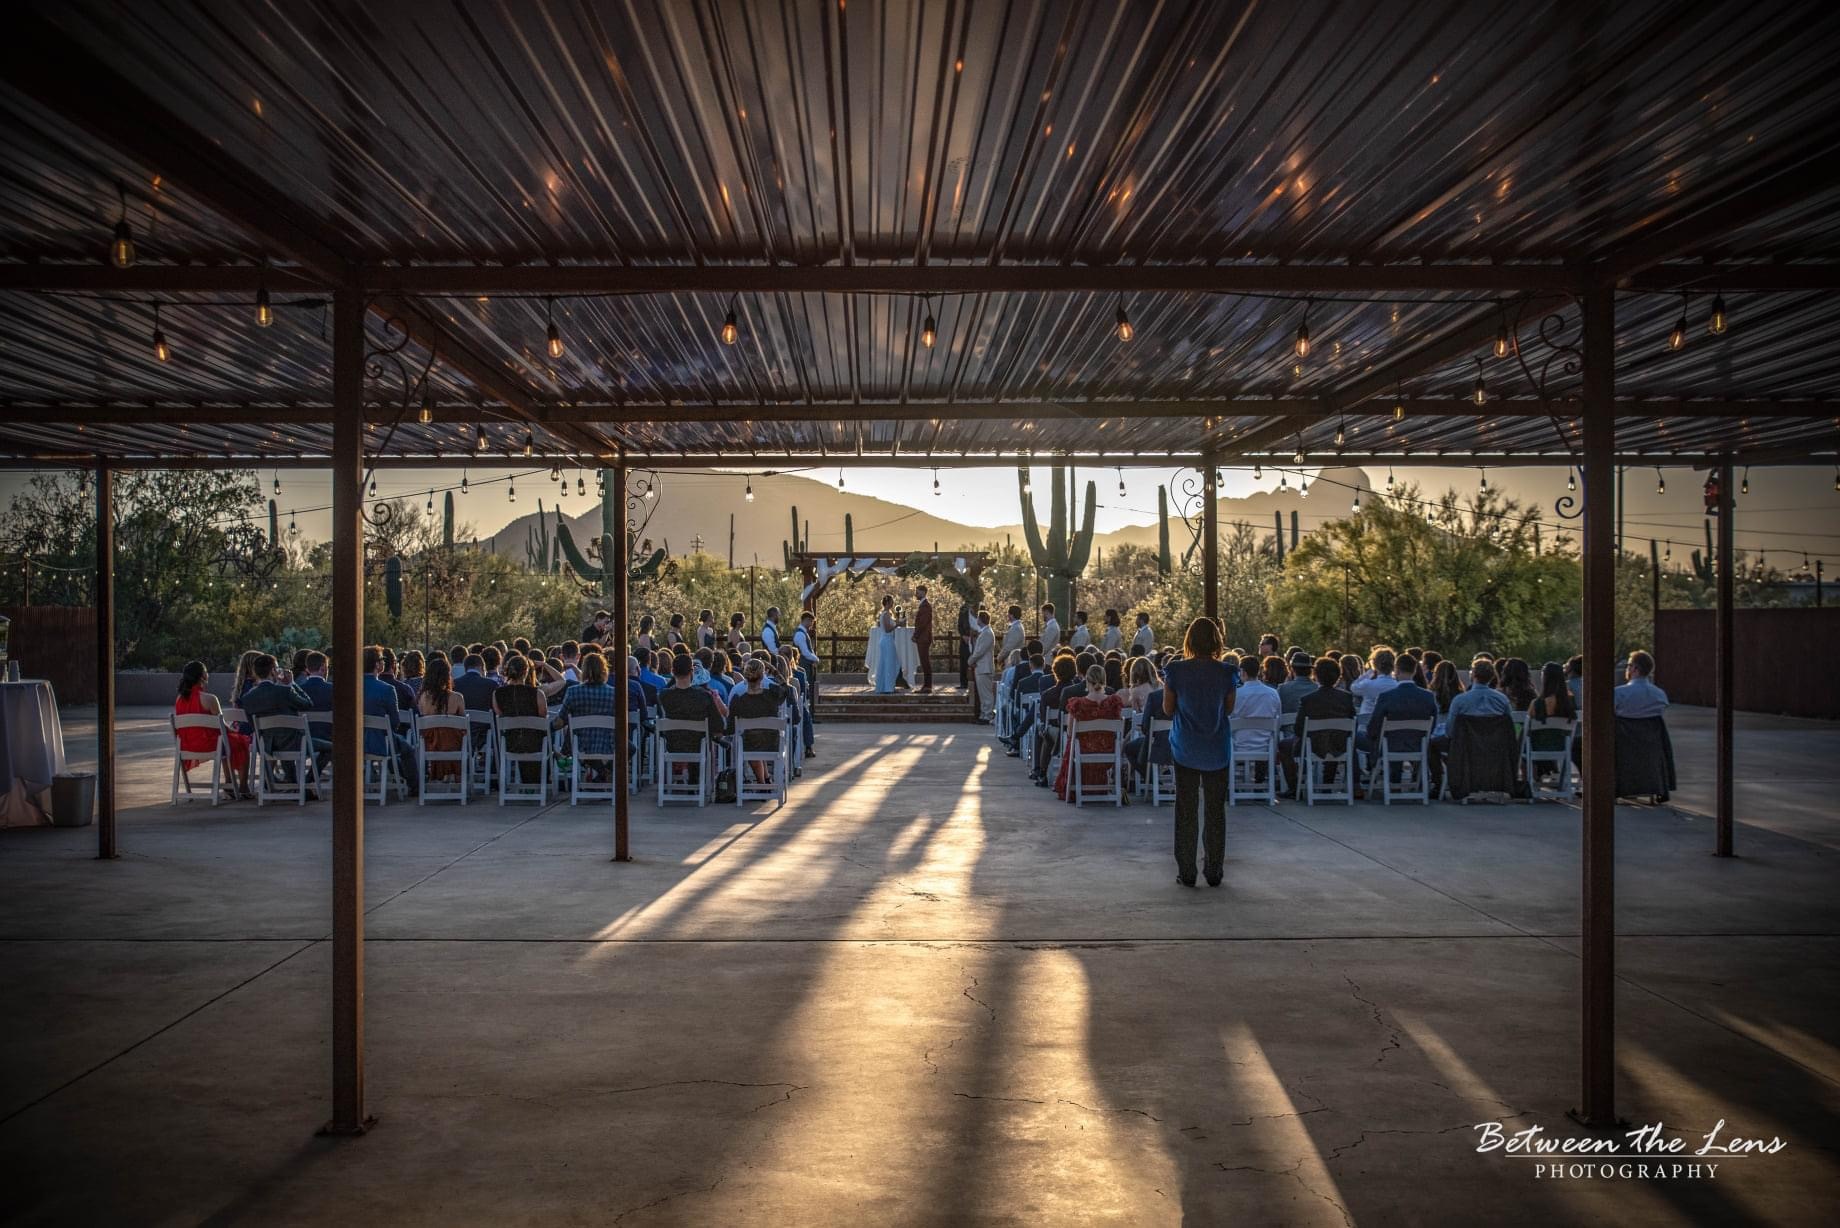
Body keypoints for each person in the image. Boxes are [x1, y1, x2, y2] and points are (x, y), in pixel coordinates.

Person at [1161, 618, 1238, 888]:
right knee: (1215, 810)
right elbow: (1229, 708)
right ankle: (1214, 870)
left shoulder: (1175, 671)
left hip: (1186, 746)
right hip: (1217, 746)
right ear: (1216, 640)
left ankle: (1187, 870)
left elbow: (1168, 709)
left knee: (1186, 809)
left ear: (1189, 640)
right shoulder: (1227, 672)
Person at [173, 660, 251, 798]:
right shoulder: (210, 699)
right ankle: (243, 787)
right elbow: (222, 727)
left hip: (186, 746)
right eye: (206, 672)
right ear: (202, 676)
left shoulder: (179, 699)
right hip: (208, 745)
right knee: (240, 741)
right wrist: (236, 732)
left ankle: (229, 783)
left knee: (227, 741)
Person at [1362, 652, 1440, 787]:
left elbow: (1374, 725)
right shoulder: (1427, 696)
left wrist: (1372, 738)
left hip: (1390, 746)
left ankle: (1391, 782)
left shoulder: (1386, 696)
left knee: (1375, 738)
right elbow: (1433, 724)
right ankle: (1416, 782)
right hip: (1418, 745)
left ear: (1396, 670)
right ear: (1414, 671)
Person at [241, 654, 325, 776]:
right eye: (277, 668)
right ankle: (308, 779)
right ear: (273, 671)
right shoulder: (284, 691)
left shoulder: (247, 698)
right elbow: (308, 704)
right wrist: (291, 684)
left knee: (285, 737)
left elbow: (253, 725)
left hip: (266, 746)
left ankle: (292, 781)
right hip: (294, 744)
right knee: (331, 747)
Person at [1054, 664, 1127, 800]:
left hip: (1083, 751)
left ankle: (1072, 786)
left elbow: (1070, 732)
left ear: (1087, 681)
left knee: (1072, 742)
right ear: (1104, 680)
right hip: (1108, 751)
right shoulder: (1113, 703)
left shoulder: (1078, 704)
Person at [660, 652, 725, 787]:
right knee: (706, 737)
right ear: (692, 672)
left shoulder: (664, 696)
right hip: (698, 746)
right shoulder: (704, 696)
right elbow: (718, 725)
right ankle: (700, 782)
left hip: (672, 745)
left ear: (673, 671)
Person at [553, 651, 619, 778]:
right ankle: (604, 771)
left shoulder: (573, 692)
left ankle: (599, 772)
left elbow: (561, 720)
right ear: (604, 670)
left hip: (580, 745)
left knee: (568, 735)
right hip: (608, 744)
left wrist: (549, 728)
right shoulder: (614, 693)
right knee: (630, 748)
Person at [491, 654, 548, 784]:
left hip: (510, 743)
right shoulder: (537, 693)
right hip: (535, 744)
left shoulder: (497, 694)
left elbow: (500, 715)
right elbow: (543, 718)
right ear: (526, 671)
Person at [727, 659, 783, 783]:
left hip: (749, 744)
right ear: (763, 676)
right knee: (758, 737)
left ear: (745, 676)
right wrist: (775, 672)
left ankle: (762, 783)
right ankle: (765, 781)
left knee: (752, 739)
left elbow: (730, 728)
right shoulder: (772, 695)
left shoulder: (738, 699)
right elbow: (786, 690)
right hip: (772, 743)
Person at [416, 655, 468, 784]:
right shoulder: (457, 698)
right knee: (455, 735)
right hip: (453, 745)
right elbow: (463, 725)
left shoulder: (422, 698)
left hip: (430, 745)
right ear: (447, 676)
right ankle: (458, 780)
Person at [1232, 655, 1284, 768]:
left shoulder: (1236, 694)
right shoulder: (1273, 693)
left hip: (1238, 746)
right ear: (1258, 671)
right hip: (1266, 746)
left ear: (1243, 672)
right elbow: (1278, 720)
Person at [1613, 650, 1669, 718]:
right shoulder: (1661, 695)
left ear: (1635, 668)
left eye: (1628, 665)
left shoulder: (1618, 693)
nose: (1627, 668)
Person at [1351, 646, 1400, 720]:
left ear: (1374, 664)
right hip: (1389, 724)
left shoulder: (1368, 684)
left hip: (1366, 724)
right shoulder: (1397, 685)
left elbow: (1353, 687)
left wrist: (1369, 672)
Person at [792, 611, 822, 717]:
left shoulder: (803, 633)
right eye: (811, 622)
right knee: (806, 689)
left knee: (809, 689)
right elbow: (805, 652)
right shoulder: (800, 634)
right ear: (806, 620)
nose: (811, 625)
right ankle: (807, 715)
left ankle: (810, 714)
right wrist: (816, 659)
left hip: (807, 665)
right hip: (803, 665)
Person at [969, 608, 996, 721]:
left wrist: (971, 660)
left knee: (986, 693)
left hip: (985, 667)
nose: (976, 620)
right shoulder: (984, 632)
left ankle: (987, 714)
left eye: (978, 618)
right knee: (982, 693)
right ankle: (983, 714)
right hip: (981, 667)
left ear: (981, 619)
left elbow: (980, 651)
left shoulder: (987, 633)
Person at [912, 585, 935, 693]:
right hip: (923, 637)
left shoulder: (925, 606)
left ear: (923, 592)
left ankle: (927, 686)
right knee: (924, 661)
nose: (915, 594)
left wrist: (915, 635)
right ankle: (926, 686)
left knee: (925, 662)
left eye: (917, 592)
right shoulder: (923, 605)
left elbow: (922, 624)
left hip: (924, 638)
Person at [999, 605, 1026, 670]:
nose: (1007, 615)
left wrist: (1000, 657)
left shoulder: (1016, 628)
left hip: (1013, 662)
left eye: (1008, 613)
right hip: (1010, 661)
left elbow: (1009, 647)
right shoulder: (1015, 627)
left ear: (1012, 615)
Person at [957, 601, 974, 690]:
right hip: (964, 639)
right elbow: (959, 625)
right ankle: (963, 683)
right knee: (963, 661)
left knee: (974, 660)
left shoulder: (979, 607)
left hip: (975, 638)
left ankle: (974, 682)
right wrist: (963, 635)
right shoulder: (963, 609)